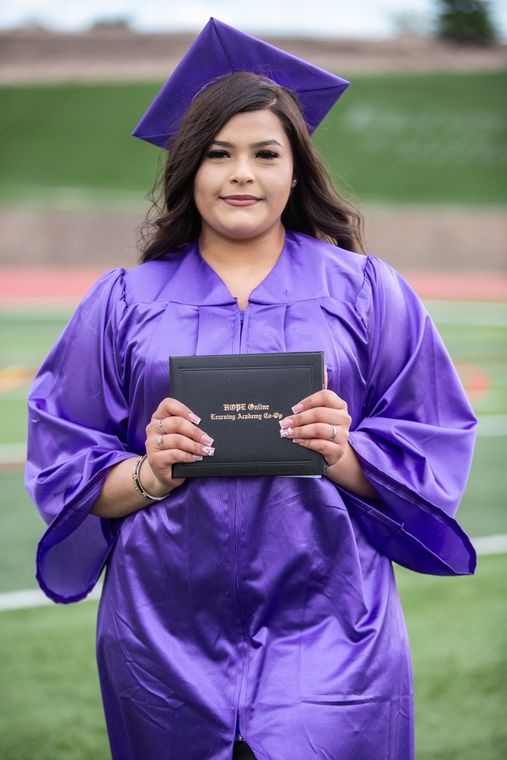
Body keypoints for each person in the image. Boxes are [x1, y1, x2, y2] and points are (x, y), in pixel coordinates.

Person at [25, 17, 477, 760]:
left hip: (332, 621)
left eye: (265, 154)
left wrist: (342, 453)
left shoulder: (365, 292)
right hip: (162, 626)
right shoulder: (124, 301)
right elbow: (63, 457)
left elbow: (432, 440)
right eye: (217, 154)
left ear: (294, 170)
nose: (242, 174)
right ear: (187, 169)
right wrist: (147, 470)